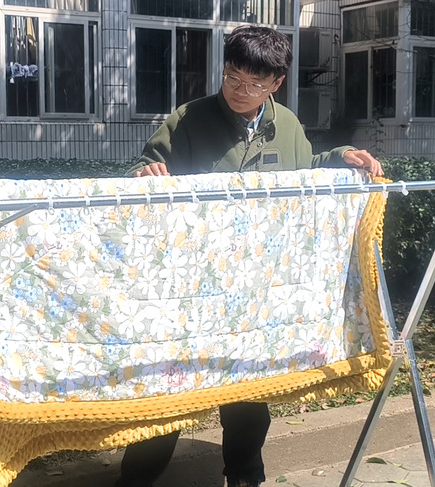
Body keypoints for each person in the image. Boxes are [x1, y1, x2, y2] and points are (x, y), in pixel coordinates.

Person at [116, 25, 384, 487]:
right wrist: (145, 172)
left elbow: (305, 170)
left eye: (254, 84)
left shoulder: (288, 125)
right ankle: (135, 480)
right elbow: (140, 171)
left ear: (276, 83)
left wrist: (342, 158)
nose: (239, 91)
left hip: (254, 291)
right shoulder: (187, 119)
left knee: (249, 395)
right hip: (191, 286)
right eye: (232, 78)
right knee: (171, 392)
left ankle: (244, 476)